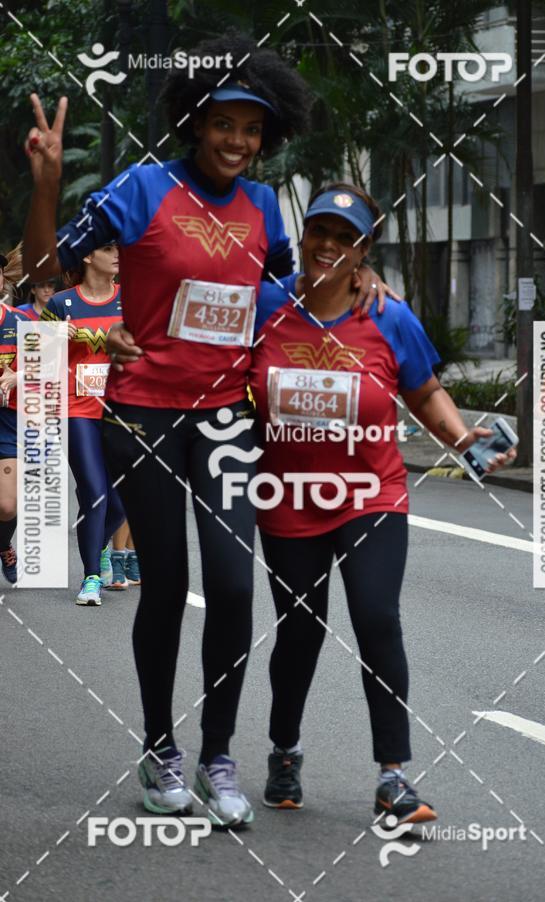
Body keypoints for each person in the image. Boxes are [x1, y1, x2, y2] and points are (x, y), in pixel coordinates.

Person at [22, 34, 394, 827]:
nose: (237, 141)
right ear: (194, 121)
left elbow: (292, 292)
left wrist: (360, 277)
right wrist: (49, 189)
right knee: (164, 583)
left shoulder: (262, 208)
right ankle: (161, 752)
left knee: (229, 584)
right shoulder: (140, 189)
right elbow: (40, 277)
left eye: (251, 129)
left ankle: (218, 753)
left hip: (226, 415)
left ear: (268, 136)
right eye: (223, 123)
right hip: (145, 413)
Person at [248, 184, 516, 822]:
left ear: (364, 250)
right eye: (322, 233)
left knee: (377, 619)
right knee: (301, 632)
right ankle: (284, 753)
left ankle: (393, 775)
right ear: (304, 235)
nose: (330, 247)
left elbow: (423, 392)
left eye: (347, 239)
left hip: (372, 494)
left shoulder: (389, 316)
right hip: (288, 497)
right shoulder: (265, 307)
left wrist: (462, 439)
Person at [41, 243, 126, 605]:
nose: (118, 254)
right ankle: (91, 577)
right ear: (88, 257)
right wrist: (54, 340)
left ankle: (100, 545)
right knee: (94, 493)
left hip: (125, 413)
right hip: (79, 411)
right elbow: (39, 355)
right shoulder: (61, 304)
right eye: (108, 248)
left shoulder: (133, 300)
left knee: (122, 505)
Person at [0, 269, 29, 584]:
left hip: (8, 420)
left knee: (7, 505)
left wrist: (16, 377)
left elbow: (46, 368)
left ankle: (3, 544)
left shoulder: (20, 323)